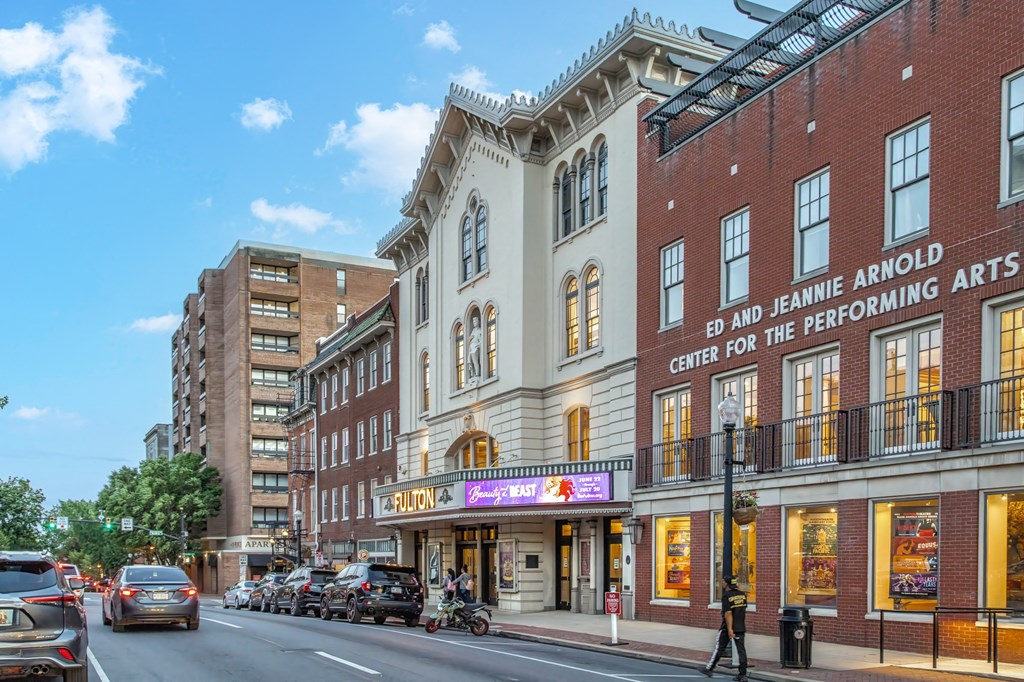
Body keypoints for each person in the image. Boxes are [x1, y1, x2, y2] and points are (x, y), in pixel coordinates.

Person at [701, 575, 748, 682]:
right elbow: (742, 609)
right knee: (741, 651)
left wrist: (730, 629)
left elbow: (728, 613)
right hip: (740, 626)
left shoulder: (726, 596)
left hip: (727, 628)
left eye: (723, 582)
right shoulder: (742, 595)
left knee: (719, 647)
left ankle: (709, 668)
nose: (722, 583)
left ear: (727, 584)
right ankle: (743, 674)